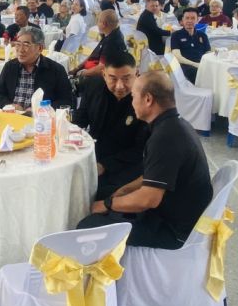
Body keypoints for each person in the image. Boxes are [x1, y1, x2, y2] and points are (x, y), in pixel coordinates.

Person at [77, 71, 213, 248]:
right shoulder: (174, 125)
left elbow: (148, 200)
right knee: (106, 191)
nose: (132, 102)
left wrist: (107, 204)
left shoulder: (166, 138)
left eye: (134, 96)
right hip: (172, 210)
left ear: (148, 99)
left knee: (86, 227)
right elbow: (154, 176)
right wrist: (125, 190)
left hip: (173, 230)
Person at [73, 50, 148, 200]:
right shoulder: (93, 86)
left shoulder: (146, 100)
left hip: (127, 164)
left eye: (126, 78)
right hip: (94, 154)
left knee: (96, 193)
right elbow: (80, 120)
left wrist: (104, 165)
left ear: (136, 74)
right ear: (104, 75)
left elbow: (142, 149)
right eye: (113, 78)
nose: (119, 86)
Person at [0, 26, 73, 111]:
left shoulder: (56, 70)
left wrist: (41, 109)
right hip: (12, 115)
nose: (21, 50)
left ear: (40, 48)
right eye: (18, 44)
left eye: (26, 45)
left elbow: (66, 101)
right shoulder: (10, 66)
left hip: (41, 117)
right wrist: (10, 106)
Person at [71, 10, 126, 76]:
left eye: (98, 21)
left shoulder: (111, 42)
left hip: (97, 76)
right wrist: (77, 68)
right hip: (90, 66)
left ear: (104, 24)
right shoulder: (110, 33)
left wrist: (81, 73)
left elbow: (101, 69)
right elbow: (93, 54)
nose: (97, 24)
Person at [170, 8, 211, 83]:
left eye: (193, 18)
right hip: (185, 65)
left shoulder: (202, 35)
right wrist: (195, 64)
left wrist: (204, 64)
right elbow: (178, 57)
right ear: (183, 20)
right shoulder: (176, 35)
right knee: (195, 72)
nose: (189, 21)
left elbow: (208, 52)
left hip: (201, 64)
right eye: (187, 18)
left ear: (197, 20)